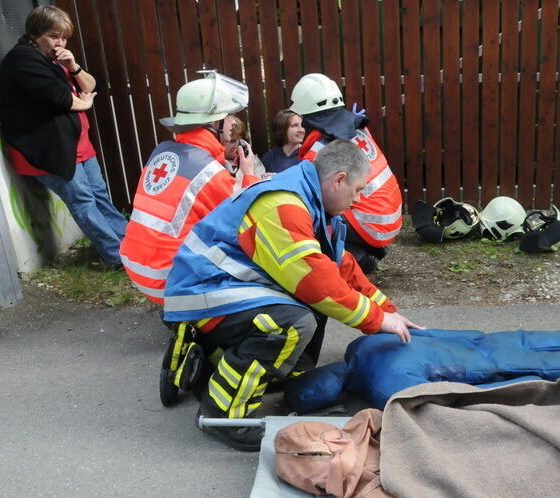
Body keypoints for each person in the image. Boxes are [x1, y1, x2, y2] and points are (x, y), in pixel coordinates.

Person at [163, 139, 423, 451]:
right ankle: (225, 414)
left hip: (223, 287)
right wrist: (378, 321)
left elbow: (342, 269)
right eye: (357, 190)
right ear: (338, 179)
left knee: (310, 308)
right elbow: (317, 283)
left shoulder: (311, 201)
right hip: (205, 292)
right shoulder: (284, 205)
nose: (357, 200)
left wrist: (389, 313)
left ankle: (245, 368)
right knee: (292, 322)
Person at [0, 5, 127, 267]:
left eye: (64, 37)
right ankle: (117, 258)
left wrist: (74, 66)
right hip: (51, 150)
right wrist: (85, 104)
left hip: (78, 144)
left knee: (99, 195)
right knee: (83, 202)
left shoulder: (53, 58)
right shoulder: (23, 60)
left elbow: (92, 87)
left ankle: (130, 244)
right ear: (35, 33)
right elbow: (62, 99)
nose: (60, 42)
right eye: (54, 36)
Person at [119, 72, 261, 305]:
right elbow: (246, 221)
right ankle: (205, 322)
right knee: (254, 265)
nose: (232, 122)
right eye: (228, 117)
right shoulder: (210, 173)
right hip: (168, 282)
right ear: (214, 123)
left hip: (137, 267)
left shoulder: (162, 152)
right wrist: (249, 174)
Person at [289, 74, 403, 274]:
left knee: (310, 206)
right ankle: (365, 250)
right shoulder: (356, 128)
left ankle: (350, 258)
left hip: (371, 224)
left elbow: (300, 190)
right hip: (389, 219)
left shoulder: (321, 150)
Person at [260, 109, 305, 174]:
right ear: (282, 128)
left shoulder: (308, 155)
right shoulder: (270, 157)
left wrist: (277, 178)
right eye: (295, 125)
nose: (301, 130)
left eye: (302, 125)